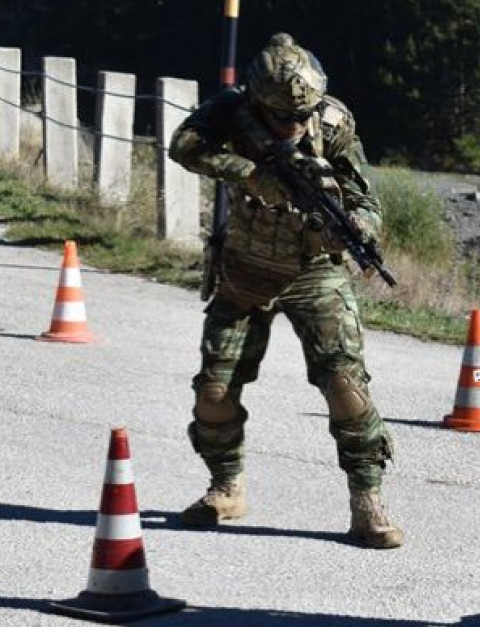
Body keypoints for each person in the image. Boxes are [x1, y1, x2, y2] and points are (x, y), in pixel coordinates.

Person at [168, 33, 401, 548]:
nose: (294, 125)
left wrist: (359, 226)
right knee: (214, 390)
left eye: (302, 116)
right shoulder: (231, 112)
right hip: (246, 270)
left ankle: (368, 501)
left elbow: (366, 197)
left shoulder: (334, 122)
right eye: (281, 117)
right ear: (258, 103)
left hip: (315, 272)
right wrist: (251, 174)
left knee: (345, 386)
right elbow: (184, 146)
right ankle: (225, 487)